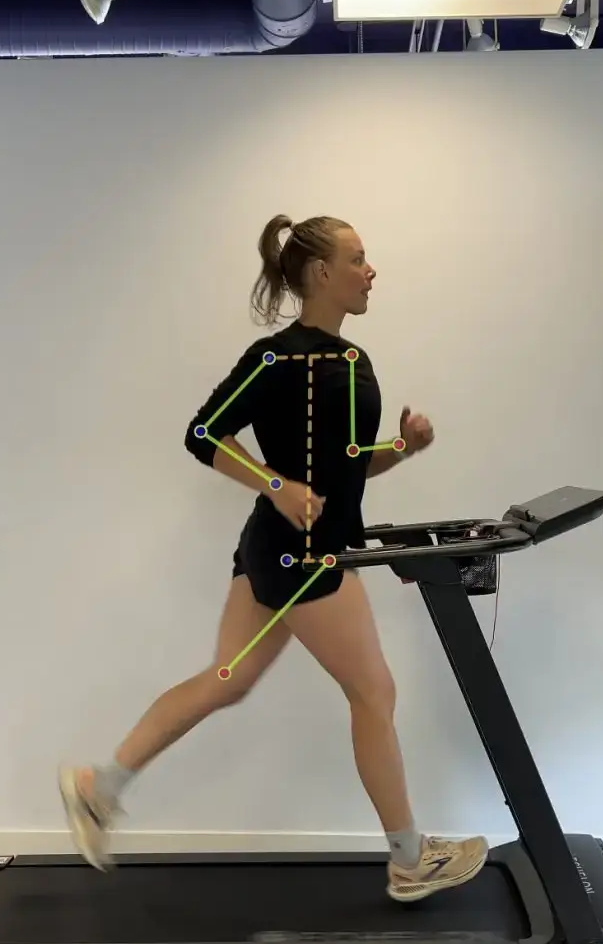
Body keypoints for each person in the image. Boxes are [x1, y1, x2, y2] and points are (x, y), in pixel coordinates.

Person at [59, 215, 488, 901]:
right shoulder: (275, 358)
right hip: (302, 554)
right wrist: (276, 483)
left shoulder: (353, 360)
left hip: (278, 550)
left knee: (228, 679)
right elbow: (204, 433)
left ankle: (98, 785)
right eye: (358, 258)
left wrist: (404, 448)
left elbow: (347, 469)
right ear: (322, 274)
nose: (371, 269)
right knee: (374, 693)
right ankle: (411, 859)